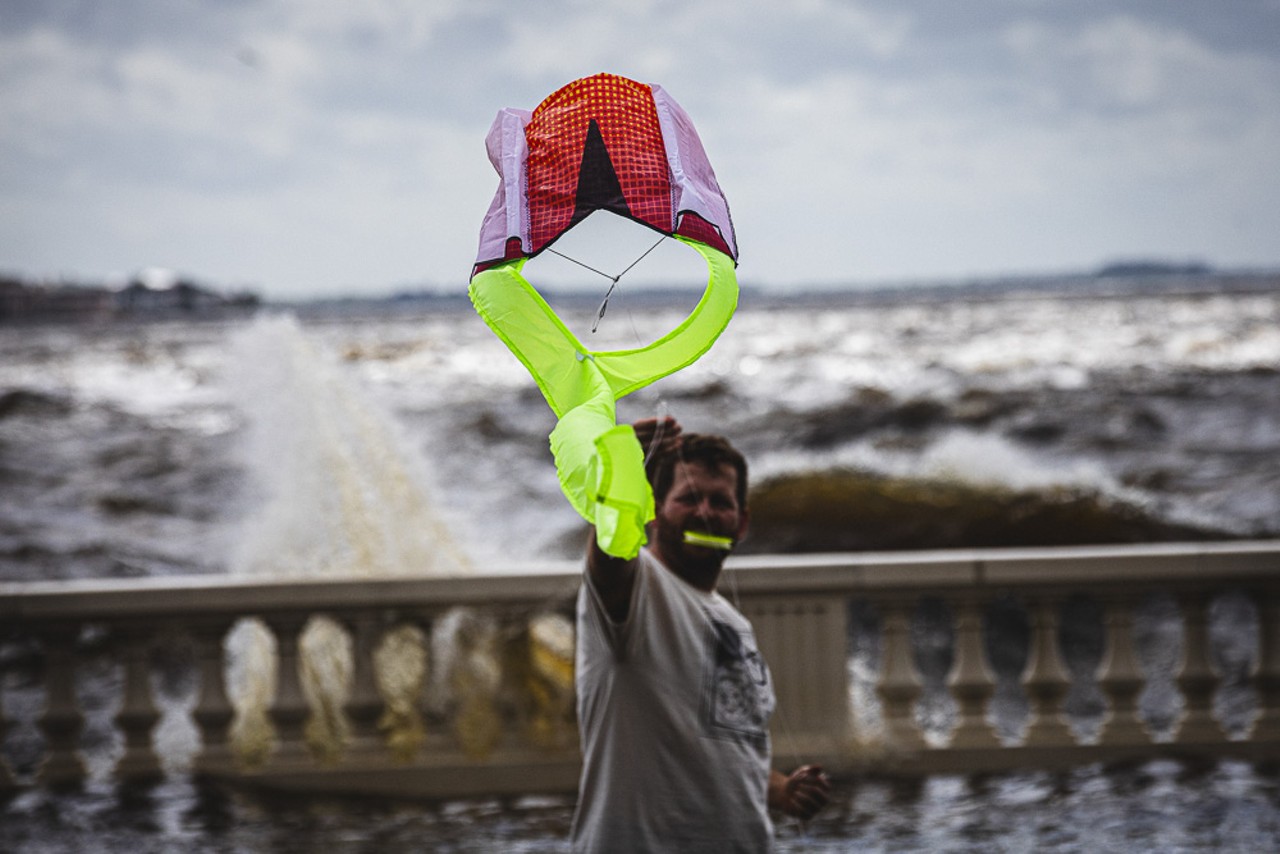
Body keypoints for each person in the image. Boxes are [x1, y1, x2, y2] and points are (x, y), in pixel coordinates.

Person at [570, 417, 831, 853]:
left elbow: (726, 750)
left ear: (741, 522)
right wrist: (622, 471)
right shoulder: (638, 590)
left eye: (720, 501)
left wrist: (781, 790)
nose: (706, 513)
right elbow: (610, 556)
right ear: (654, 510)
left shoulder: (734, 623)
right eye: (689, 498)